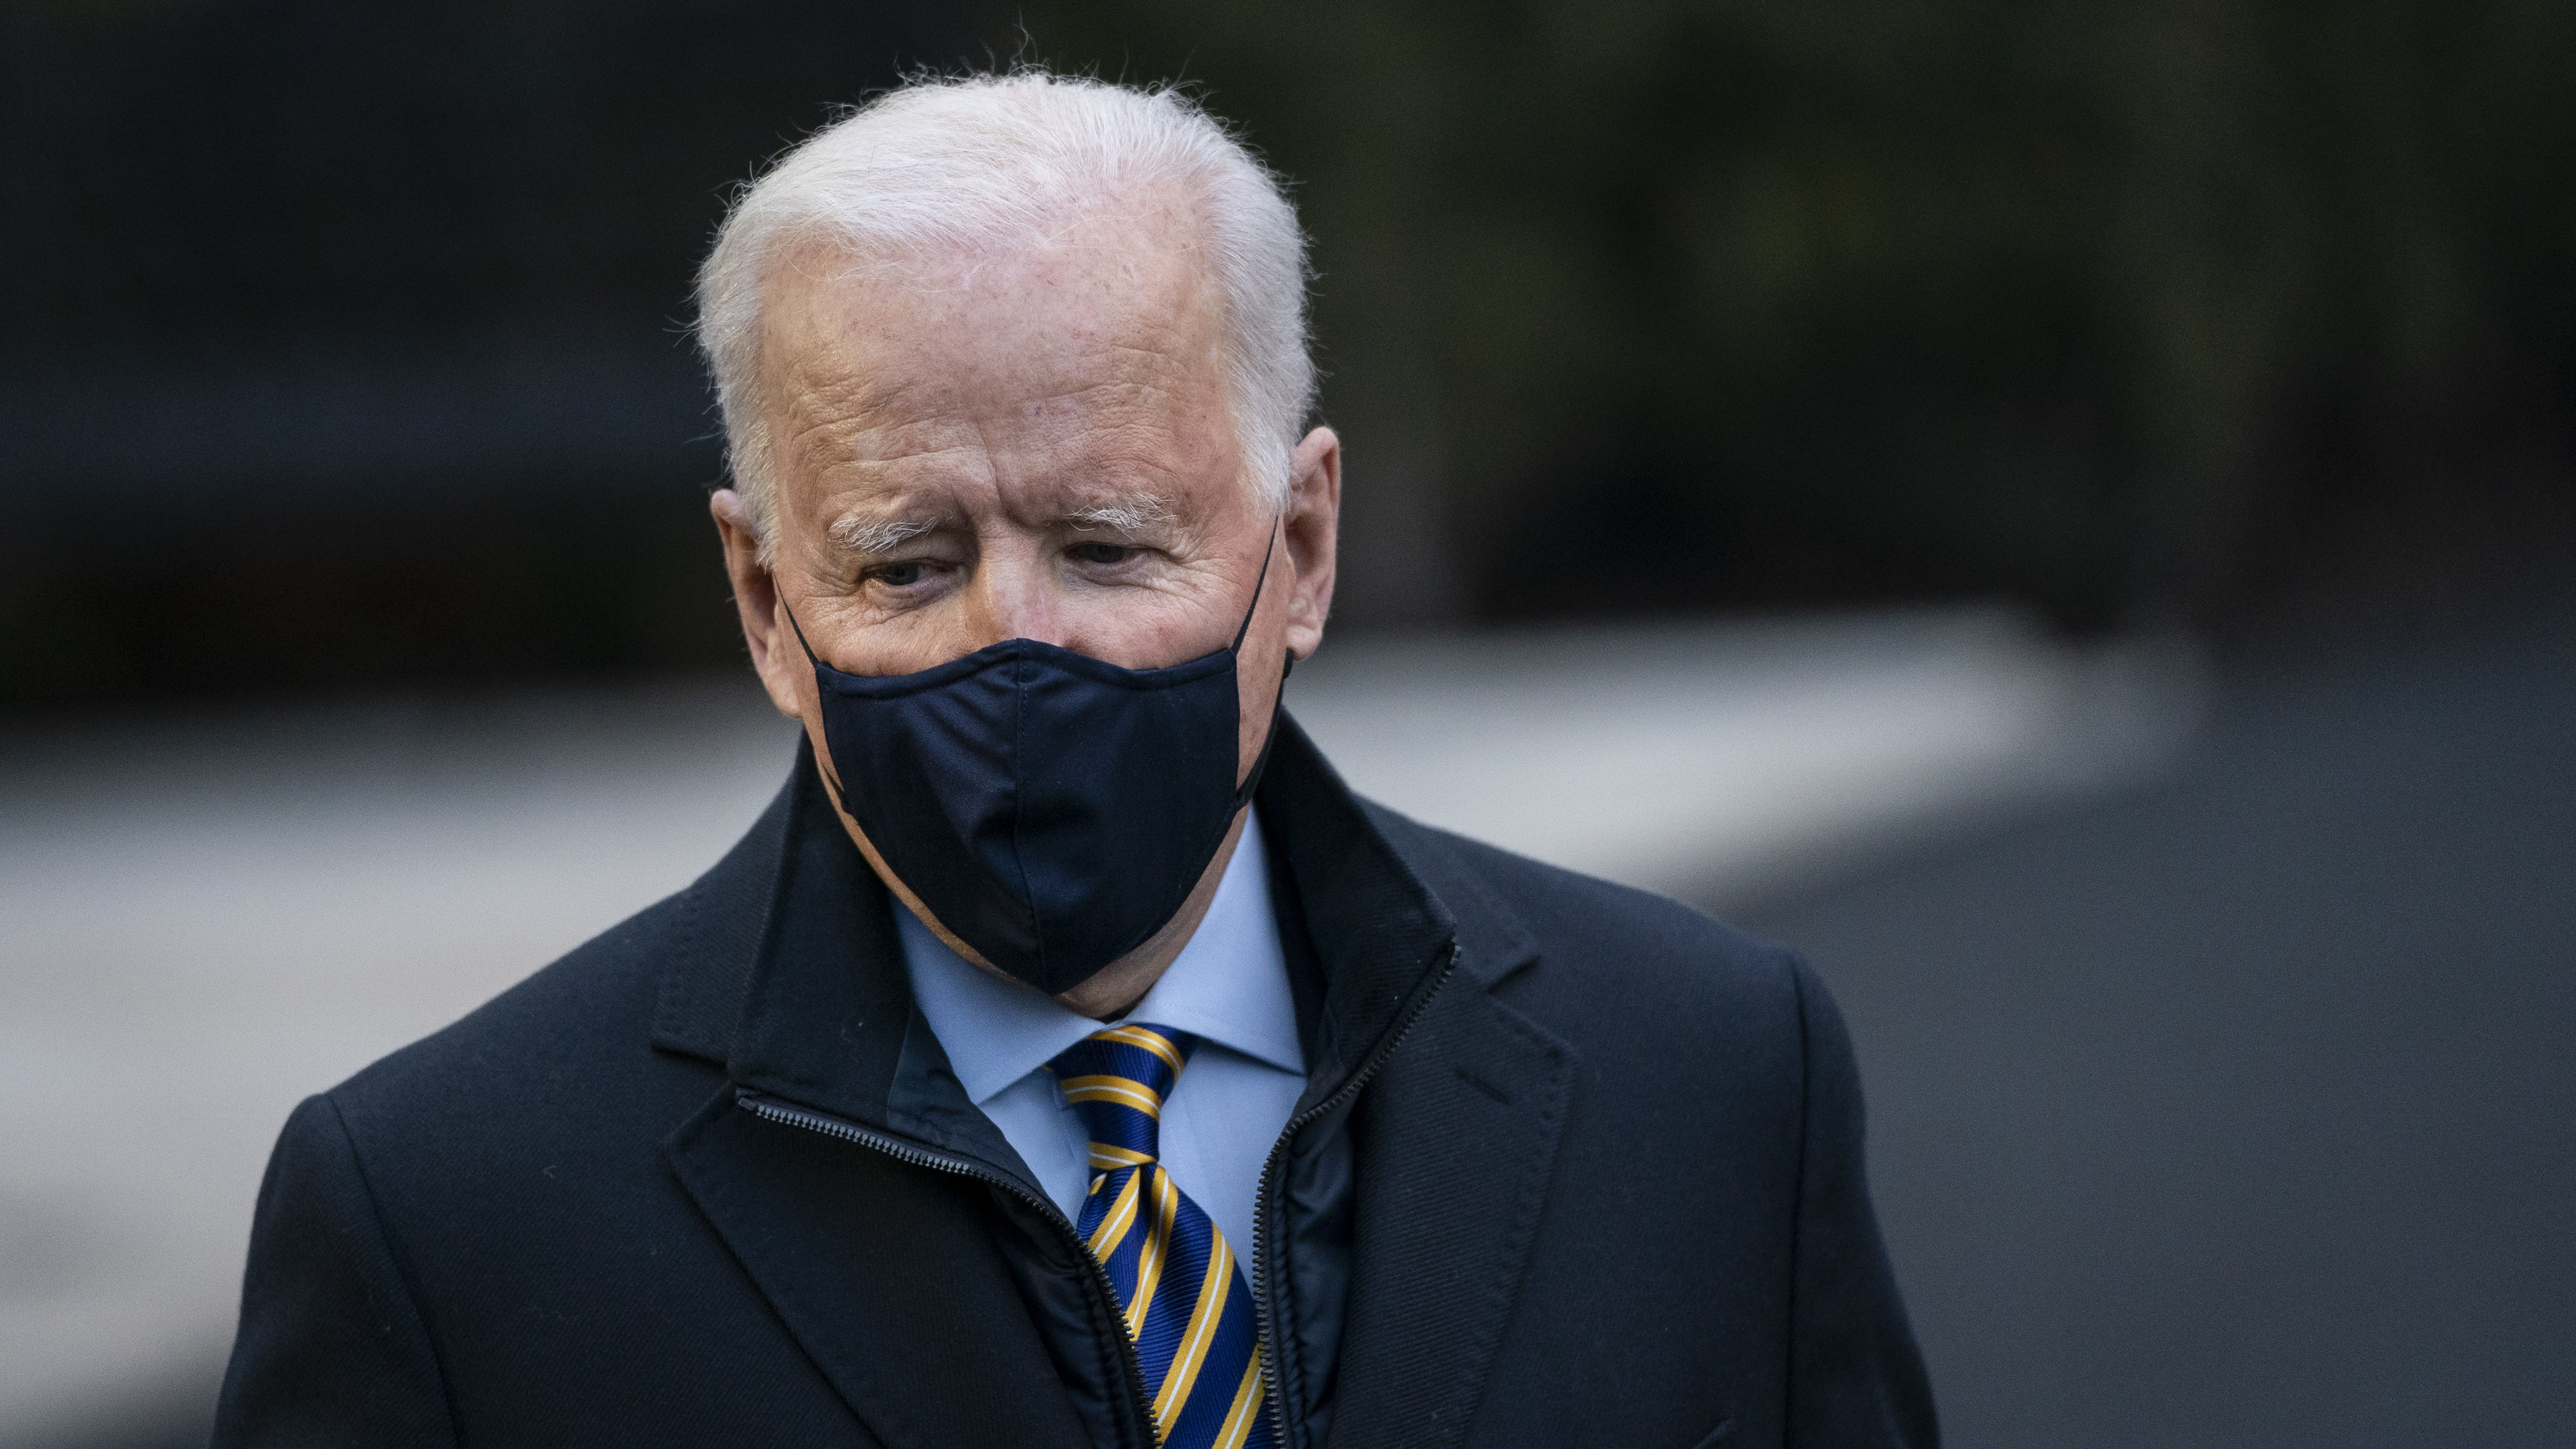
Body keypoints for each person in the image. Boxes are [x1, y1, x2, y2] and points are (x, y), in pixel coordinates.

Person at [214, 72, 1937, 1449]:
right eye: (906, 564)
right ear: (762, 602)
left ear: (1303, 546)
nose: (1013, 644)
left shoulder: (1708, 1075)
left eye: (1106, 547)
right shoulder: (443, 1227)